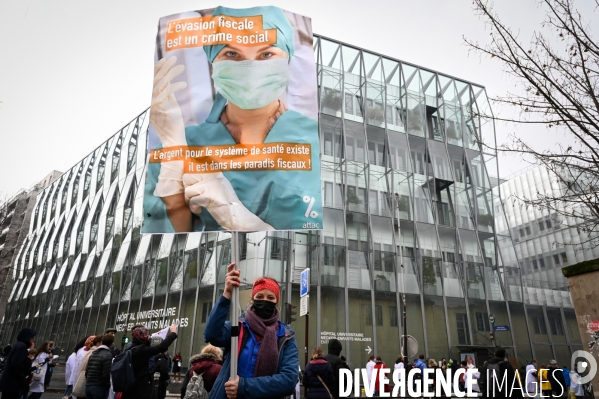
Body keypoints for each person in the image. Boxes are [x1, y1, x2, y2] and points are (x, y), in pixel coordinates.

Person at [145, 5, 321, 233]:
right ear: (212, 62)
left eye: (266, 54)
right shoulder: (181, 143)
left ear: (287, 58)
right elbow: (163, 241)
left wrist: (241, 219)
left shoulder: (313, 139)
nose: (250, 68)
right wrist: (174, 154)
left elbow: (310, 241)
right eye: (232, 54)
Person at [203, 262, 299, 399]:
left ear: (276, 302)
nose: (265, 301)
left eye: (270, 297)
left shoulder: (286, 336)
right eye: (259, 297)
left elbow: (289, 380)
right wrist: (227, 293)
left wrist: (243, 386)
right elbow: (211, 334)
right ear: (253, 300)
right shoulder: (239, 326)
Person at [121, 325, 178, 399]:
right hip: (139, 388)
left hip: (130, 386)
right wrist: (173, 333)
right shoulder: (141, 349)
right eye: (146, 334)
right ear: (141, 336)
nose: (148, 336)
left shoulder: (131, 347)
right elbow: (161, 347)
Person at [0, 328, 37, 399]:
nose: (33, 340)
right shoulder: (21, 347)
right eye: (31, 338)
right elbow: (17, 364)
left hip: (10, 383)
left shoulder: (19, 345)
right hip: (13, 384)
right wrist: (23, 377)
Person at [84, 335, 114, 399]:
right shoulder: (107, 355)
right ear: (111, 344)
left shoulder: (93, 353)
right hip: (99, 387)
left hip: (88, 386)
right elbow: (106, 374)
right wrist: (107, 385)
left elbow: (87, 371)